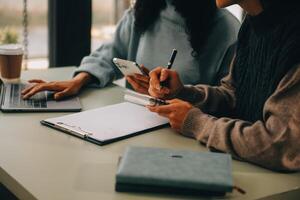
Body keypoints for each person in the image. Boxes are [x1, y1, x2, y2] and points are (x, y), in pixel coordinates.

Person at [147, 0, 300, 171]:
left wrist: (196, 123)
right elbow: (234, 94)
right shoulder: (251, 25)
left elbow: (282, 145)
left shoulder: (294, 37)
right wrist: (182, 93)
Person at [22, 0, 240, 100]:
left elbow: (228, 100)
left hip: (184, 135)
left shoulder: (227, 30)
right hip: (134, 125)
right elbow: (110, 54)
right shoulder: (146, 9)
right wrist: (78, 80)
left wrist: (180, 93)